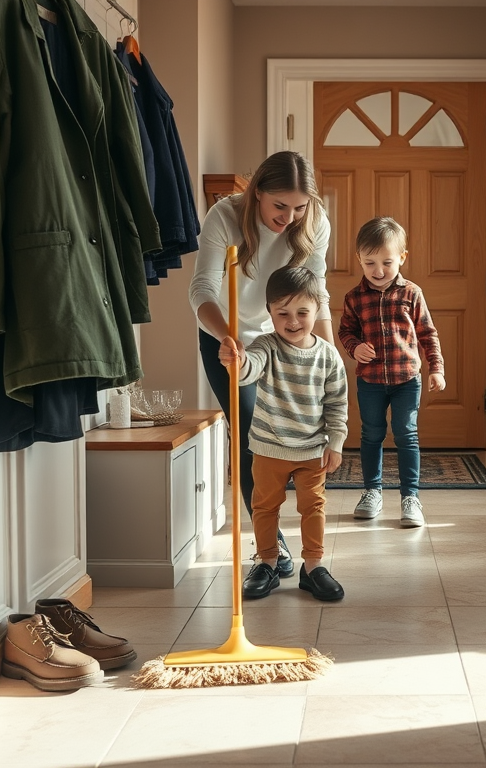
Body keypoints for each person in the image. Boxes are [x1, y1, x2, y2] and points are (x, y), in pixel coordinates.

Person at [189, 151, 332, 579]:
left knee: (296, 433)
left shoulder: (315, 221)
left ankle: (300, 547)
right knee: (254, 438)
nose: (290, 217)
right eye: (280, 206)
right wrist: (230, 338)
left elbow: (317, 290)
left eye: (300, 206)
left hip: (285, 335)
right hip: (226, 335)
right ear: (257, 195)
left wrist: (325, 353)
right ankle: (272, 549)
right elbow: (201, 290)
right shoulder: (225, 216)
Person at [218, 266, 348, 601]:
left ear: (317, 310)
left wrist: (335, 442)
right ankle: (267, 562)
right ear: (270, 313)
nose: (292, 321)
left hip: (312, 450)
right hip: (269, 447)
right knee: (264, 507)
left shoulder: (328, 356)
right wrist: (237, 361)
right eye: (282, 313)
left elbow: (337, 404)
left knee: (313, 506)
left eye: (302, 312)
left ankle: (314, 567)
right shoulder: (266, 346)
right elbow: (249, 371)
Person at [338, 217, 445, 528]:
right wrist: (355, 347)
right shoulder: (354, 298)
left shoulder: (412, 293)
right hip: (369, 381)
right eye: (369, 262)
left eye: (386, 261)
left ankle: (411, 497)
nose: (379, 270)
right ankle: (372, 491)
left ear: (402, 257)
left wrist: (436, 368)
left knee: (406, 434)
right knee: (371, 434)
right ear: (358, 259)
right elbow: (345, 331)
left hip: (406, 380)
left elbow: (428, 333)